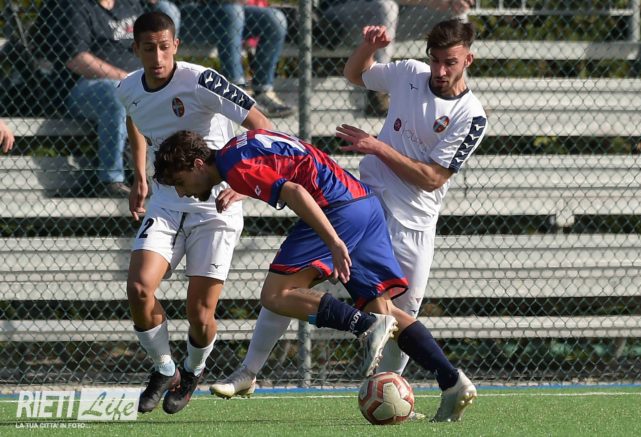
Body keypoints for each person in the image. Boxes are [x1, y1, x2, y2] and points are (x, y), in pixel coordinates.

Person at [212, 18, 487, 423]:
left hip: (410, 225)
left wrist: (377, 146)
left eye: (450, 62)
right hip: (362, 202)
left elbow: (432, 178)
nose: (440, 71)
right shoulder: (410, 73)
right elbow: (356, 74)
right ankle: (248, 372)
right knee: (291, 280)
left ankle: (416, 394)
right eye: (435, 60)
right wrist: (368, 46)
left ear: (468, 60)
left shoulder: (471, 115)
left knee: (394, 315)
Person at [154, 128, 478, 422]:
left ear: (198, 164)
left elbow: (295, 191)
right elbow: (289, 159)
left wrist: (334, 242)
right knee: (385, 310)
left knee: (276, 294)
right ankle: (452, 381)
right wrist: (248, 187)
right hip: (363, 202)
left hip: (337, 210)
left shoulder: (234, 168)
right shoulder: (237, 148)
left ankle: (363, 326)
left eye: (180, 182)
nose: (182, 193)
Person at [114, 11, 271, 415]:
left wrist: (244, 183)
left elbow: (263, 126)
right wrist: (140, 176)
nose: (157, 57)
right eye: (148, 48)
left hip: (216, 204)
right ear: (136, 49)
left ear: (176, 46)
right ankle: (165, 368)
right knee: (139, 289)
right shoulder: (127, 87)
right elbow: (135, 117)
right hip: (166, 202)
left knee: (199, 314)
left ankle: (193, 369)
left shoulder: (202, 80)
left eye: (164, 47)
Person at [36, 0, 180, 197]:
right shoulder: (76, 6)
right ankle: (111, 179)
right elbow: (77, 60)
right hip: (86, 87)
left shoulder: (131, 4)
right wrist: (128, 80)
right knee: (115, 92)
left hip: (137, 85)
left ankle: (162, 175)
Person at [317, 0, 474, 115]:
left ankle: (458, 94)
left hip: (392, 20)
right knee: (386, 6)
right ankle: (378, 92)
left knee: (456, 10)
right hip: (339, 18)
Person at [178, 1, 295, 118]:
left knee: (275, 19)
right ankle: (237, 93)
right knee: (232, 11)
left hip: (226, 14)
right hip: (186, 15)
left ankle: (262, 91)